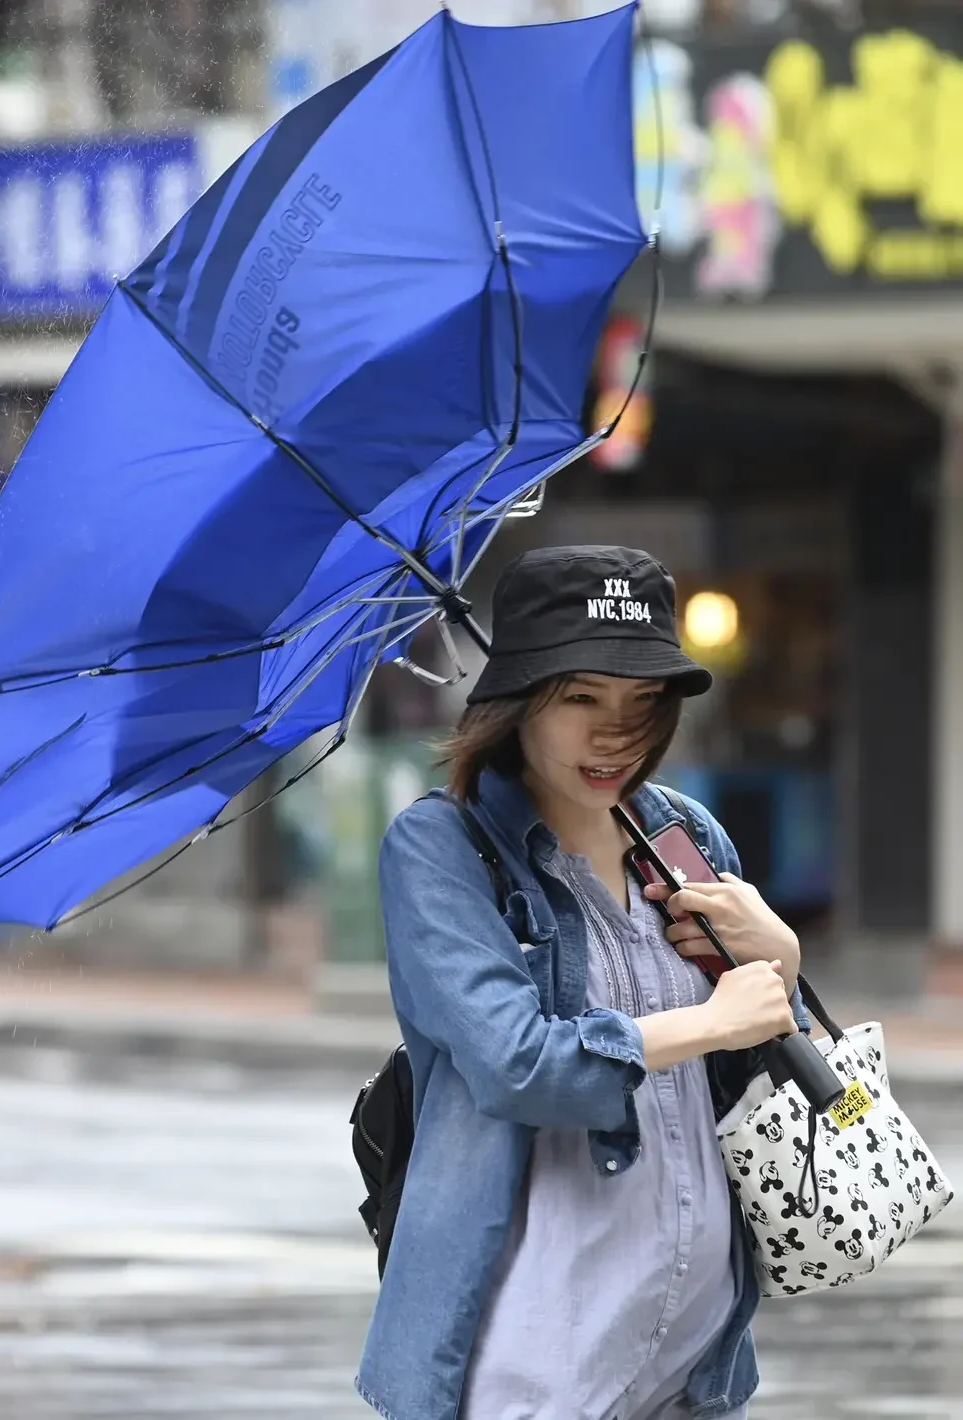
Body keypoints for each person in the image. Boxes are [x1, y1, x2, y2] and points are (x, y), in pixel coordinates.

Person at [355, 545, 809, 1420]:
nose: (618, 734)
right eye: (581, 698)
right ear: (519, 703)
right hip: (541, 1351)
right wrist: (711, 1022)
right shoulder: (442, 849)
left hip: (698, 1357)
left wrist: (781, 959)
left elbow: (767, 1068)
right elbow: (517, 1065)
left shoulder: (686, 836)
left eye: (644, 701)